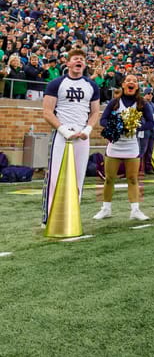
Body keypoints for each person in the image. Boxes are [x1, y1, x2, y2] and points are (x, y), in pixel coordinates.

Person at [41, 48, 101, 226]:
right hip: (62, 135)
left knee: (79, 176)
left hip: (82, 136)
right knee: (55, 176)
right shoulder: (56, 83)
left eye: (82, 59)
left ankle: (71, 216)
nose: (79, 61)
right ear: (68, 63)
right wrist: (65, 131)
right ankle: (49, 217)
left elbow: (95, 111)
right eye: (75, 58)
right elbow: (47, 112)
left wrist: (88, 130)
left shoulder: (92, 85)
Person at [93, 74, 154, 221]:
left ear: (137, 87)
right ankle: (106, 209)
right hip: (115, 145)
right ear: (123, 85)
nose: (131, 83)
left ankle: (135, 210)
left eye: (134, 81)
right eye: (128, 81)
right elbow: (103, 120)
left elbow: (151, 123)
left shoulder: (142, 104)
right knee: (109, 179)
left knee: (133, 179)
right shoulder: (115, 102)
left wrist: (137, 127)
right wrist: (116, 126)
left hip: (132, 145)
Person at [138, 88, 154, 174]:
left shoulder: (153, 104)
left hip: (152, 128)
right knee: (143, 148)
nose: (150, 95)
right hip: (145, 128)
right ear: (145, 94)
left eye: (151, 94)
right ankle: (139, 168)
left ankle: (148, 167)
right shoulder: (142, 103)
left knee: (150, 148)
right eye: (149, 93)